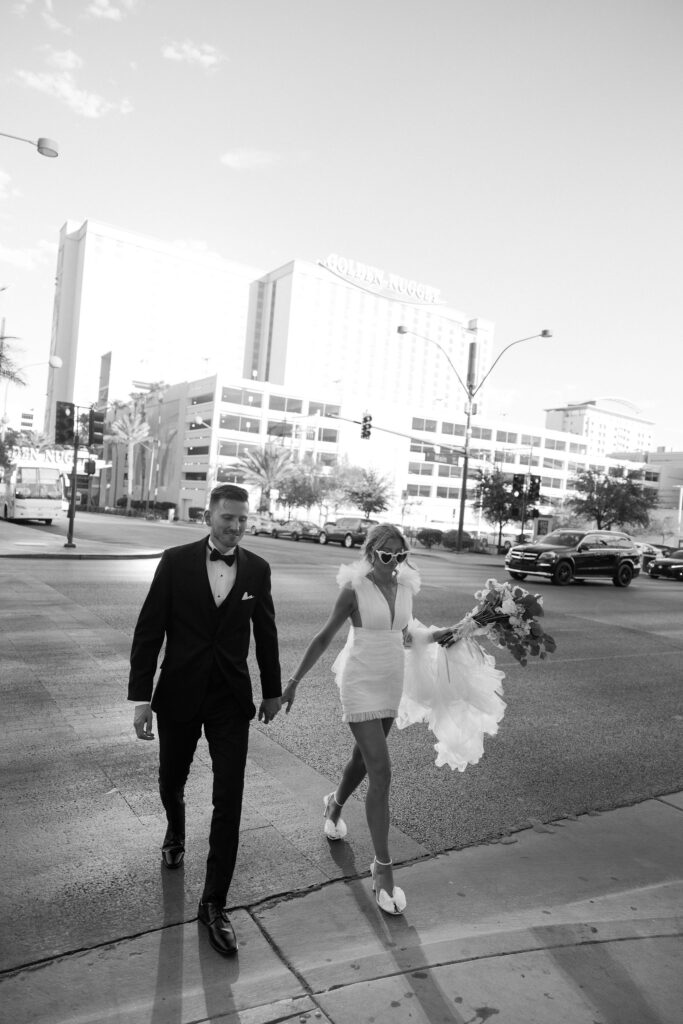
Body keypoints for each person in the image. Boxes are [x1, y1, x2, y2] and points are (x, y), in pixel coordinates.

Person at [129, 483, 282, 956]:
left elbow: (267, 633)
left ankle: (214, 903)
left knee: (228, 798)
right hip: (178, 693)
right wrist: (140, 698)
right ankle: (175, 829)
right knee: (170, 777)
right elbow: (149, 629)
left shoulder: (257, 568)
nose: (236, 527)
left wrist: (272, 691)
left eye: (243, 519)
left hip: (229, 700)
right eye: (228, 518)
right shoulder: (174, 562)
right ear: (209, 516)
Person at [282, 523, 455, 916]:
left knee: (362, 760)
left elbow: (407, 633)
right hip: (360, 682)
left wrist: (443, 634)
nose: (393, 563)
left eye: (400, 555)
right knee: (381, 771)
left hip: (391, 680)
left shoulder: (406, 587)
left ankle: (334, 804)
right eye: (386, 555)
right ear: (370, 552)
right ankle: (383, 869)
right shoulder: (353, 590)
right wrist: (293, 682)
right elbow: (324, 637)